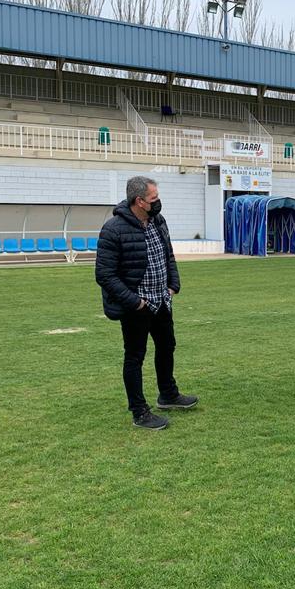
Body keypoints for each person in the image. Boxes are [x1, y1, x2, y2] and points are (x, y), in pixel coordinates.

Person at [95, 176, 198, 430]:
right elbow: (104, 274)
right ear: (139, 201)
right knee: (134, 357)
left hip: (162, 300)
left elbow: (167, 254)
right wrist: (134, 301)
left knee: (167, 346)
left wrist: (173, 284)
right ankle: (140, 412)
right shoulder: (113, 229)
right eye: (154, 198)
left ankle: (168, 394)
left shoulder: (158, 221)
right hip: (137, 306)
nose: (158, 202)